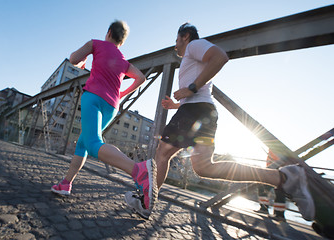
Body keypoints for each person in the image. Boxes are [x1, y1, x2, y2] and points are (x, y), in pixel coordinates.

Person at [125, 22, 315, 221]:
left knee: (162, 152)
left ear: (186, 36)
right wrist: (177, 103)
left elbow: (220, 57)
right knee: (204, 167)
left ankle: (146, 202)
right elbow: (201, 91)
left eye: (176, 40)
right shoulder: (193, 57)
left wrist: (191, 88)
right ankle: (283, 177)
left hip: (195, 110)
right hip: (202, 111)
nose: (175, 46)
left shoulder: (194, 45)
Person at [51, 20, 158, 212]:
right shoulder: (124, 61)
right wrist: (123, 94)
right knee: (84, 142)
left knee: (92, 144)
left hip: (93, 97)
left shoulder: (96, 44)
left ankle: (138, 170)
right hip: (112, 106)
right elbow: (141, 77)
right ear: (122, 41)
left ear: (108, 32)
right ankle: (66, 183)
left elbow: (74, 58)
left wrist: (82, 61)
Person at [257, 151, 286, 221]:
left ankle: (279, 214)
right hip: (272, 169)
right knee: (263, 187)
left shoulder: (277, 148)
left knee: (279, 192)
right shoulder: (272, 148)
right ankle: (266, 209)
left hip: (277, 170)